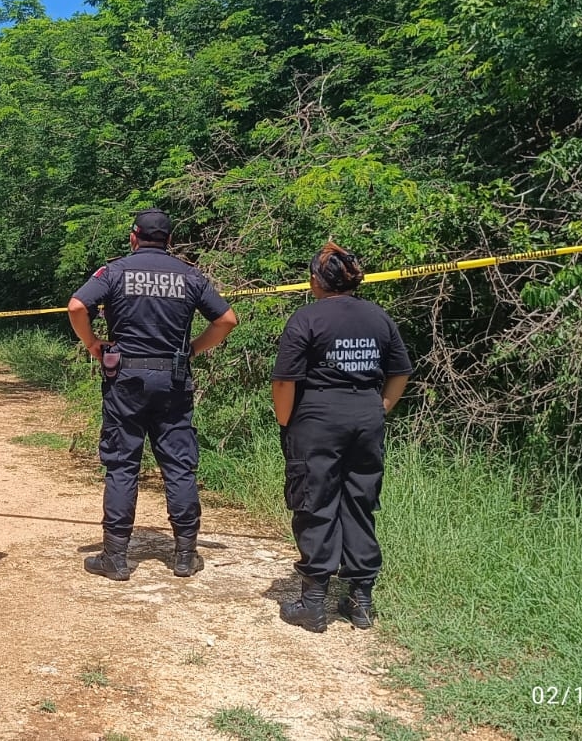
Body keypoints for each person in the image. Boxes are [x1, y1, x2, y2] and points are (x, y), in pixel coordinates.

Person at [67, 208, 238, 581]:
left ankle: (115, 556)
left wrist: (92, 343)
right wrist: (193, 349)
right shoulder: (189, 276)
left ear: (134, 236)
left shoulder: (114, 272)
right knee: (178, 465)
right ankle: (184, 554)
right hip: (173, 379)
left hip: (125, 378)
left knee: (122, 464)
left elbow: (78, 305)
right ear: (169, 241)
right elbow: (227, 320)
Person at [271, 242, 411, 632]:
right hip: (366, 419)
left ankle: (313, 604)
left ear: (316, 280)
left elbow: (284, 380)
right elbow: (400, 371)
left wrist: (287, 422)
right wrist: (380, 407)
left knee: (315, 502)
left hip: (317, 420)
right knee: (359, 502)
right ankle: (360, 601)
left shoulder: (307, 319)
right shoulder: (378, 317)